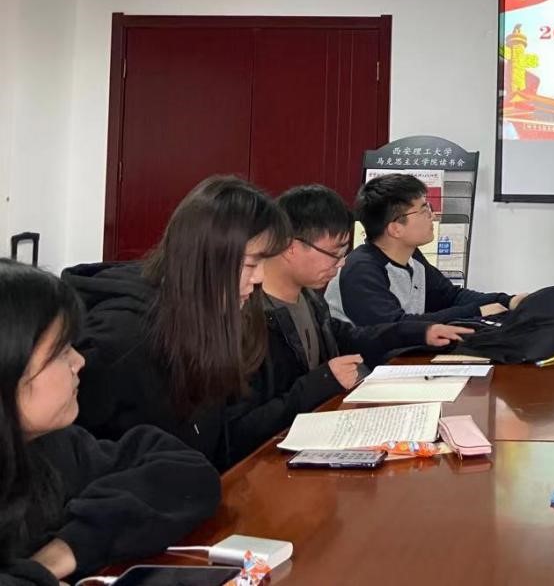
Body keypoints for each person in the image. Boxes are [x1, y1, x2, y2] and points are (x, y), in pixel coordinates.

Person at [0, 260, 219, 586]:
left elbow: (188, 472)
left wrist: (64, 550)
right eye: (61, 352)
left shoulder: (53, 444)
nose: (79, 360)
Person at [65, 175, 292, 469]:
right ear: (206, 257)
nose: (259, 278)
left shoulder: (217, 319)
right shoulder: (120, 340)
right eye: (251, 264)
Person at [247, 185, 475, 434]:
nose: (341, 263)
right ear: (291, 247)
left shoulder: (309, 299)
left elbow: (351, 337)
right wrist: (323, 381)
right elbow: (240, 432)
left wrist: (421, 332)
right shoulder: (248, 318)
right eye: (333, 253)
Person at [325, 174, 523, 326]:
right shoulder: (361, 270)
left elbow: (450, 297)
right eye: (424, 209)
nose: (433, 216)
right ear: (395, 228)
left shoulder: (412, 258)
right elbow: (394, 327)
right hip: (363, 366)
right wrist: (476, 312)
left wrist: (509, 301)